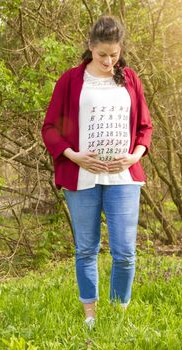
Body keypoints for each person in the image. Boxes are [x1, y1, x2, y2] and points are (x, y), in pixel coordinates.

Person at [41, 15, 152, 329]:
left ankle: (118, 316)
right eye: (102, 54)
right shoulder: (71, 80)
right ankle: (90, 314)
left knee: (125, 251)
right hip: (82, 177)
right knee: (87, 248)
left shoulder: (130, 79)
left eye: (114, 54)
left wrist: (134, 157)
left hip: (124, 178)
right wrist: (74, 156)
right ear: (90, 47)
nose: (108, 61)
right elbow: (49, 127)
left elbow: (145, 127)